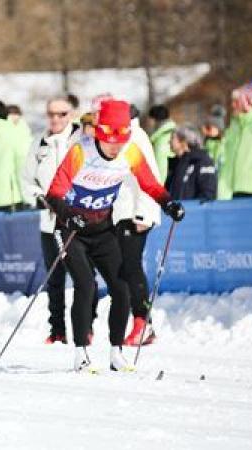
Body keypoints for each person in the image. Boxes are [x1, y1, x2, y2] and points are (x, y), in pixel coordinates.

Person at [45, 99, 184, 373]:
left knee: (122, 288)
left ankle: (116, 353)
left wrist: (169, 203)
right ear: (100, 134)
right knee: (86, 286)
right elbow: (54, 194)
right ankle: (81, 353)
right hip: (71, 229)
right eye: (110, 142)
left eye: (120, 141)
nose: (115, 147)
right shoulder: (80, 152)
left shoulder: (130, 152)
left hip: (102, 228)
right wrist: (67, 215)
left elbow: (150, 184)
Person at [21, 95, 86, 344]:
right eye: (51, 114)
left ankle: (85, 327)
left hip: (79, 219)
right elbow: (27, 179)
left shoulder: (82, 139)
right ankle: (57, 330)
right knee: (54, 277)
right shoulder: (39, 142)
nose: (56, 119)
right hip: (50, 220)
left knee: (83, 277)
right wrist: (38, 198)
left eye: (61, 114)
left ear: (71, 115)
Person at [113, 103, 163, 347]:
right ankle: (138, 322)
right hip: (120, 212)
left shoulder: (137, 137)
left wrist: (143, 214)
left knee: (131, 268)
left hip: (135, 213)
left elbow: (150, 176)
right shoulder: (119, 137)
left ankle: (144, 323)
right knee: (122, 269)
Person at [218, 81, 252, 198]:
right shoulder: (234, 126)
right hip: (234, 191)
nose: (233, 105)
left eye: (236, 101)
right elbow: (227, 158)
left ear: (248, 101)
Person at [165, 126, 217, 201]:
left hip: (192, 211)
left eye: (172, 138)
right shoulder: (176, 164)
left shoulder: (203, 162)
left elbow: (207, 195)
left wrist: (193, 210)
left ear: (183, 141)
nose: (169, 142)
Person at [147, 104, 176, 182]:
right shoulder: (172, 132)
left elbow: (161, 170)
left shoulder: (161, 141)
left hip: (164, 186)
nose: (148, 121)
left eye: (149, 118)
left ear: (154, 119)